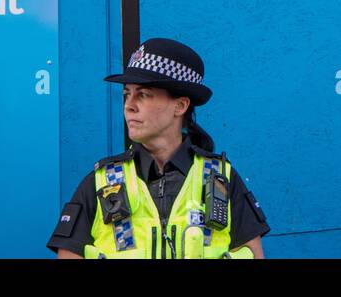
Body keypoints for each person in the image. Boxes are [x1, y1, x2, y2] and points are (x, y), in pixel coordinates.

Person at [48, 38, 268, 259]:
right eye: (126, 95)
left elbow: (254, 254)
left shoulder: (221, 179)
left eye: (143, 95)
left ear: (180, 105)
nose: (129, 106)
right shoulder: (101, 181)